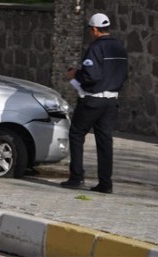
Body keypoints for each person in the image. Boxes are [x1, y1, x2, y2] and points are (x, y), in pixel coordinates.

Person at [60, 13, 128, 194]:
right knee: (105, 141)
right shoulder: (119, 48)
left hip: (93, 100)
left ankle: (76, 177)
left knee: (76, 134)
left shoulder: (95, 48)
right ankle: (106, 183)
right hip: (111, 101)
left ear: (95, 29)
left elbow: (92, 76)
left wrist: (76, 74)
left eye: (91, 29)